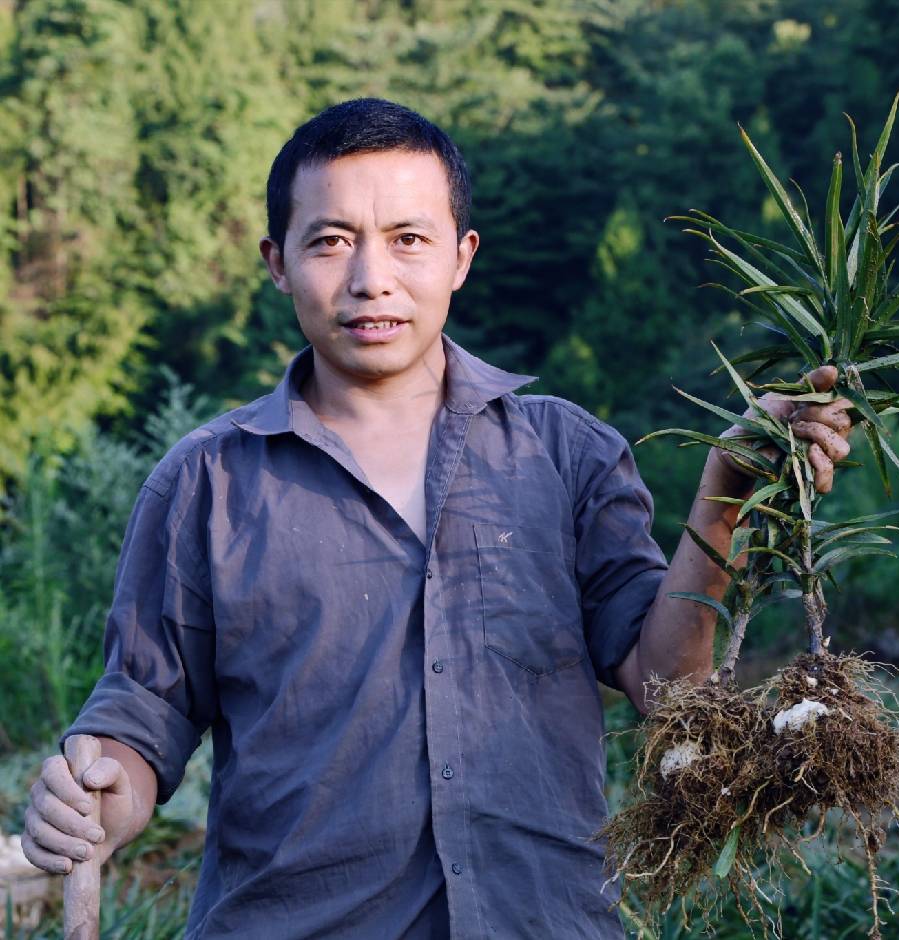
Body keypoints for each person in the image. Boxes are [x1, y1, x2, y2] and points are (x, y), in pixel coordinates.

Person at [20, 99, 853, 938]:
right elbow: (144, 710)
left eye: (408, 239)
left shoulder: (565, 455)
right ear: (277, 262)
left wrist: (727, 488)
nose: (370, 278)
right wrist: (97, 794)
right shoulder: (206, 482)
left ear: (462, 257)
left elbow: (667, 685)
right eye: (331, 240)